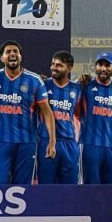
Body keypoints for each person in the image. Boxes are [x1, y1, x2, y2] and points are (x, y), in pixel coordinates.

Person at [0, 40, 55, 185]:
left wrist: (52, 142)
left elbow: (47, 112)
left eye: (16, 51)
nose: (12, 54)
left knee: (22, 188)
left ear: (21, 56)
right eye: (8, 52)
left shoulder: (34, 80)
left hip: (26, 143)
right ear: (2, 58)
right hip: (0, 141)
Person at [78, 52, 112, 185]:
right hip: (90, 144)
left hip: (111, 146)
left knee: (110, 189)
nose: (103, 68)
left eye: (107, 65)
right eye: (100, 64)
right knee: (90, 188)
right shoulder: (85, 86)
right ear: (96, 66)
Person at [37, 51, 81, 185]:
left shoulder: (77, 88)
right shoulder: (43, 85)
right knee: (46, 186)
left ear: (69, 68)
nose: (54, 68)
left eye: (59, 65)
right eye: (53, 64)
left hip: (69, 142)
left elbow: (79, 113)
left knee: (70, 187)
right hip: (46, 141)